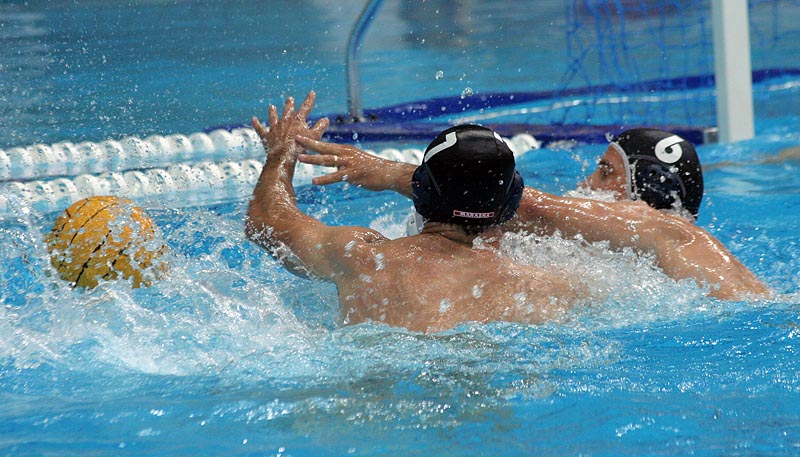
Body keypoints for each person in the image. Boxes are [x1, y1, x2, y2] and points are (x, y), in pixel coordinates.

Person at [294, 108, 769, 301]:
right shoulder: (633, 260)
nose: (587, 180)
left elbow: (523, 208)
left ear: (643, 197)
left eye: (606, 172)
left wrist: (400, 175)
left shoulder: (666, 234)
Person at [245, 91, 588, 333]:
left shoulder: (361, 256)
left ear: (420, 190)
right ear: (509, 204)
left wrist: (281, 154)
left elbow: (265, 219)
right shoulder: (545, 288)